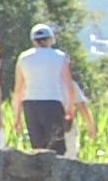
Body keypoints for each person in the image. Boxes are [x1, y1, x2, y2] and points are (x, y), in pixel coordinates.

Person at [9, 23, 84, 153]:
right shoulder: (60, 56)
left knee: (37, 147)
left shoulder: (23, 58)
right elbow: (68, 85)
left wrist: (16, 116)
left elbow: (18, 90)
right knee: (56, 147)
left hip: (30, 104)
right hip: (52, 103)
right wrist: (69, 108)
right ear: (50, 39)